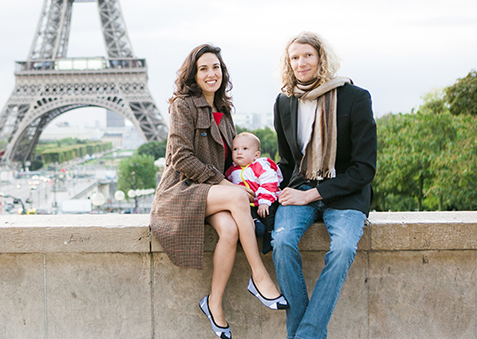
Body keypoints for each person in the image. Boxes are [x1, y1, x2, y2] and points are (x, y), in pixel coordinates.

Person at [150, 44, 287, 339]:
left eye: (216, 68)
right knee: (238, 196)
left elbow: (232, 157)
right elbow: (181, 159)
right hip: (183, 190)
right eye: (204, 68)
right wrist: (228, 186)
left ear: (222, 73)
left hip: (211, 192)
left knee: (229, 230)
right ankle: (259, 275)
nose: (211, 74)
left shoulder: (223, 111)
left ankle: (213, 304)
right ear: (193, 75)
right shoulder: (183, 105)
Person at [271, 31, 377, 339]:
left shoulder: (355, 98)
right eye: (294, 57)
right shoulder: (284, 102)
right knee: (281, 243)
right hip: (301, 186)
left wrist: (314, 195)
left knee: (343, 249)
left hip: (345, 191)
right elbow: (288, 161)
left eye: (307, 55)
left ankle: (304, 335)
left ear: (321, 58)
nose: (301, 63)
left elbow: (364, 168)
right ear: (288, 63)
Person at [224, 132, 282, 254]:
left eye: (245, 149)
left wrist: (264, 202)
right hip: (248, 205)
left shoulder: (260, 166)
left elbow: (270, 183)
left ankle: (269, 234)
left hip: (267, 199)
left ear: (256, 155)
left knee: (268, 213)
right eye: (235, 149)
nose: (239, 152)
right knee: (243, 214)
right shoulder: (231, 171)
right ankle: (255, 224)